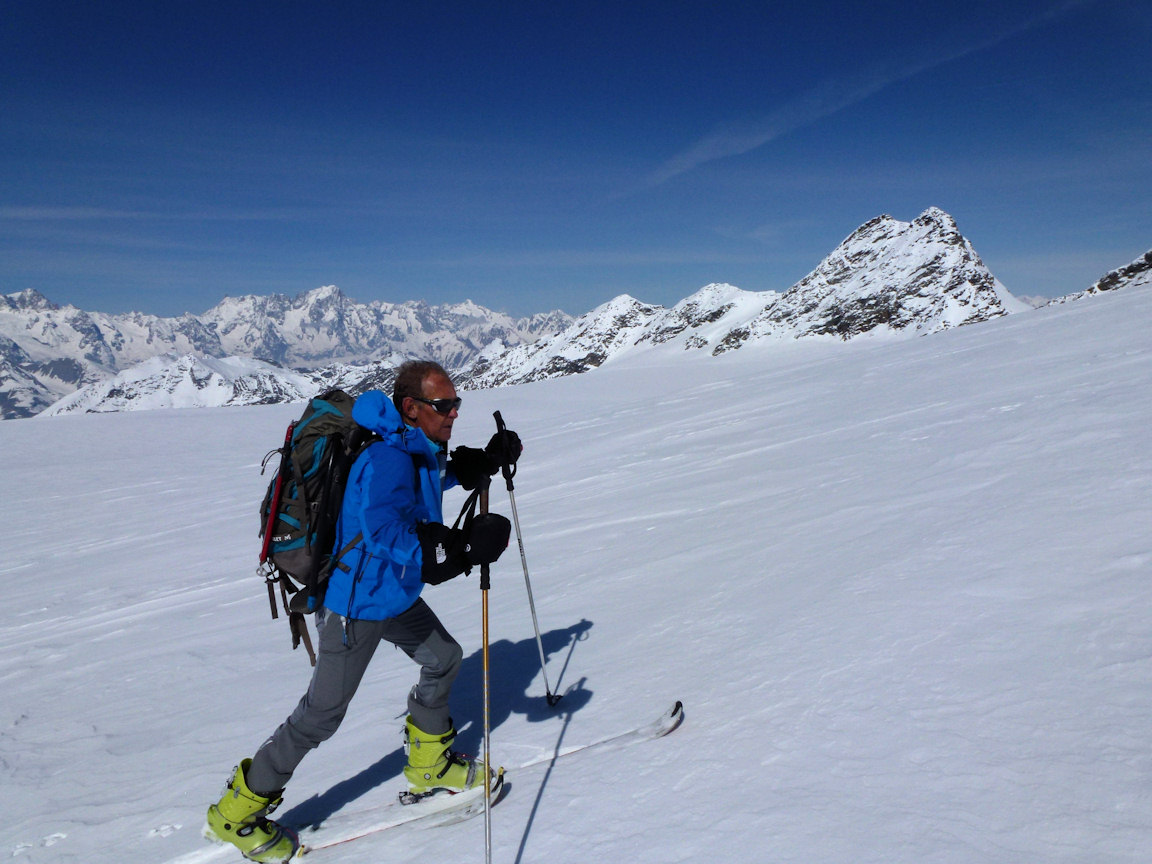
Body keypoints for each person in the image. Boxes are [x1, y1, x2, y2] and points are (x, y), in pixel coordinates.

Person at [206, 360, 517, 863]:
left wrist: (478, 462)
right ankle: (235, 812)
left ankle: (428, 764)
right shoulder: (385, 458)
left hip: (391, 594)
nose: (454, 414)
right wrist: (456, 549)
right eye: (444, 406)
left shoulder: (412, 445)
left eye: (457, 404)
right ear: (412, 408)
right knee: (320, 717)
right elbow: (383, 531)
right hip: (356, 605)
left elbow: (426, 483)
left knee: (443, 657)